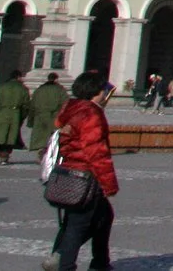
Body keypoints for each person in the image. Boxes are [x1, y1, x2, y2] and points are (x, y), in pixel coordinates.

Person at [45, 71, 119, 271]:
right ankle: (63, 263)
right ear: (96, 91)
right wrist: (109, 183)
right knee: (77, 225)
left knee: (103, 216)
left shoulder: (72, 108)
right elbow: (95, 151)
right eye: (103, 90)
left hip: (69, 172)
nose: (105, 94)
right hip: (85, 176)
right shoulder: (91, 113)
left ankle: (100, 262)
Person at [0, 67, 31, 165]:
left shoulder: (1, 87)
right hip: (14, 114)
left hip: (0, 113)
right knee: (10, 137)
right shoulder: (23, 89)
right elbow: (26, 105)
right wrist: (21, 117)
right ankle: (4, 156)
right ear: (18, 77)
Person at [28, 69, 68, 151]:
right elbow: (65, 104)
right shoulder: (60, 90)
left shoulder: (39, 90)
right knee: (52, 137)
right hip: (54, 117)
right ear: (56, 79)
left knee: (40, 136)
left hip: (40, 117)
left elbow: (32, 105)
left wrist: (30, 120)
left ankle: (41, 150)